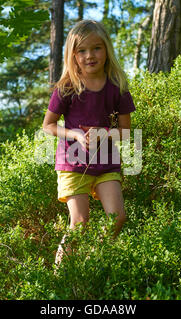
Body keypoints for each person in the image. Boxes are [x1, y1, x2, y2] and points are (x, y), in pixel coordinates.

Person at [42, 20, 136, 267]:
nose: (90, 55)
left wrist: (104, 134)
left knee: (117, 218)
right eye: (82, 51)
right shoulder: (67, 88)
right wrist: (74, 135)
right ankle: (60, 277)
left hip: (106, 164)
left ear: (107, 50)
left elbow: (126, 133)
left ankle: (91, 264)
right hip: (73, 164)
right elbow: (48, 126)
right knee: (79, 224)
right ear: (73, 55)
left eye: (96, 48)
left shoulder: (118, 87)